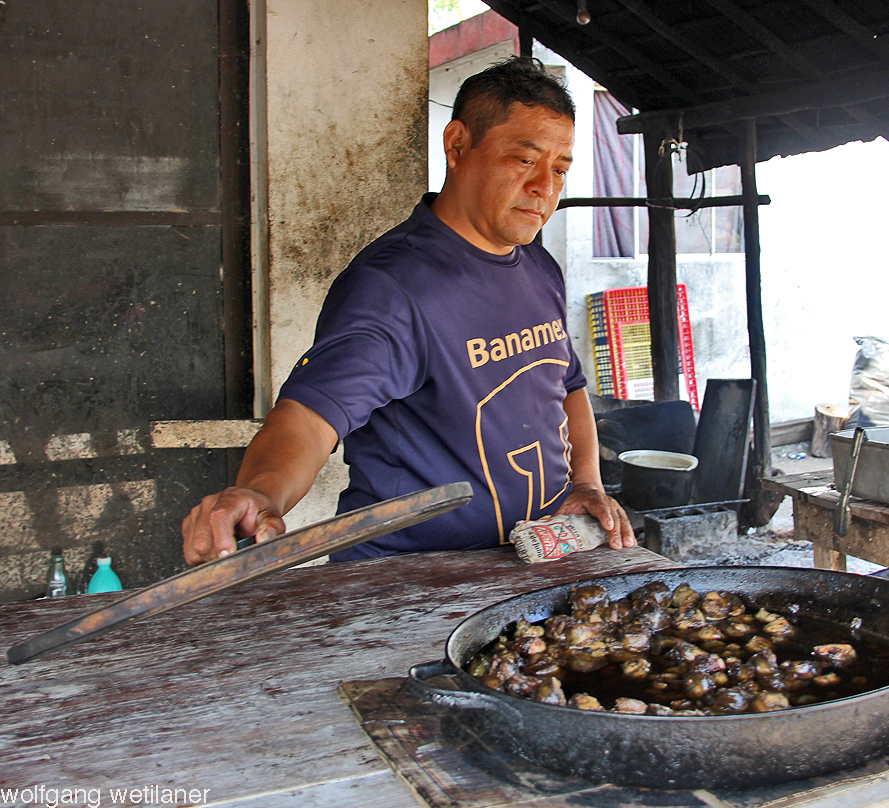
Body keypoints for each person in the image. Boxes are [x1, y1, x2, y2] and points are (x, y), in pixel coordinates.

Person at [182, 57, 635, 565]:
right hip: (410, 582)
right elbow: (310, 419)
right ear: (458, 145)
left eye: (559, 168)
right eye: (524, 160)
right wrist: (262, 493)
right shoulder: (394, 287)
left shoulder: (537, 265)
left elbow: (567, 386)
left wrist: (588, 483)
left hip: (531, 562)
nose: (544, 187)